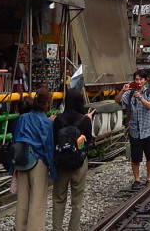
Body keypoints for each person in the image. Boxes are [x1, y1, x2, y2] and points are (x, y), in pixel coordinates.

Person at [12, 88, 57, 231]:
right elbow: (49, 148)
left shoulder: (23, 118)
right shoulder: (47, 123)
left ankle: (20, 228)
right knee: (37, 202)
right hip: (39, 162)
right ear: (47, 104)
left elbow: (15, 141)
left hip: (22, 161)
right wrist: (53, 170)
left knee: (22, 201)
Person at [52, 89, 94, 231]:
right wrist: (88, 119)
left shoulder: (58, 120)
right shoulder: (85, 120)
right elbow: (89, 141)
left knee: (58, 199)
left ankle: (56, 228)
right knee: (77, 201)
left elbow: (54, 141)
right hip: (79, 164)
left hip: (61, 164)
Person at [119, 69, 150, 188]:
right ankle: (136, 179)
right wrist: (123, 90)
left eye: (141, 79)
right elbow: (118, 101)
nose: (139, 81)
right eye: (136, 79)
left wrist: (140, 98)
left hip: (148, 128)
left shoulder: (149, 93)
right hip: (134, 129)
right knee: (136, 157)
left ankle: (149, 177)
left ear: (145, 80)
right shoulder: (129, 94)